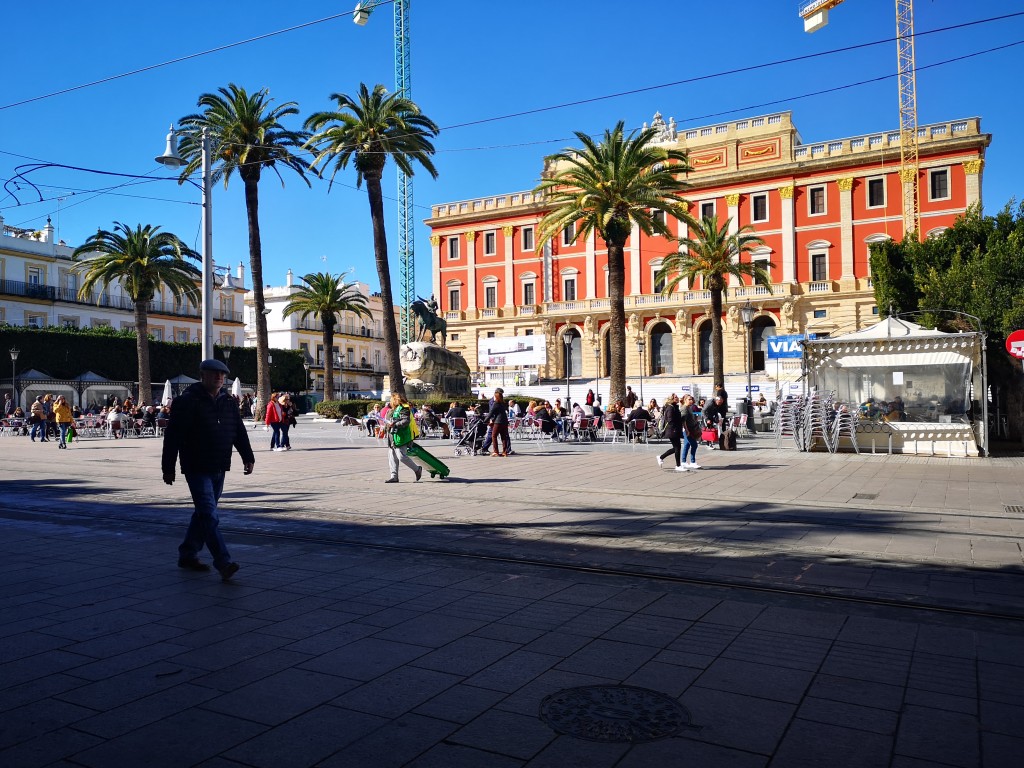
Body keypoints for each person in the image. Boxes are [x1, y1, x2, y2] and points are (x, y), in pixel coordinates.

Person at [162, 358, 254, 580]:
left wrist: (247, 456)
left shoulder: (228, 402)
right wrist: (168, 467)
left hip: (220, 465)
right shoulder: (188, 401)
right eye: (214, 374)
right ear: (202, 375)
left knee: (203, 514)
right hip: (196, 465)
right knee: (210, 516)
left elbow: (238, 431)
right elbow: (173, 436)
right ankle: (223, 562)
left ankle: (188, 554)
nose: (219, 378)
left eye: (222, 375)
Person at [383, 393, 422, 483]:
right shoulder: (390, 410)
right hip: (392, 437)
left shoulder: (404, 408)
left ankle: (417, 469)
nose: (390, 402)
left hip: (401, 437)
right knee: (392, 457)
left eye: (391, 400)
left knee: (401, 456)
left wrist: (395, 424)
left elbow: (406, 421)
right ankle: (394, 476)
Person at [657, 395, 685, 471]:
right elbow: (670, 419)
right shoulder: (670, 408)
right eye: (676, 397)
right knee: (677, 447)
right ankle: (678, 466)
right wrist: (675, 428)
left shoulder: (675, 406)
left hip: (675, 429)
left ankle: (661, 457)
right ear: (671, 399)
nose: (678, 398)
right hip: (672, 430)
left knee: (676, 448)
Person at [680, 394, 703, 469]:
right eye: (689, 399)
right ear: (685, 400)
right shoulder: (684, 408)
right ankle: (692, 462)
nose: (691, 401)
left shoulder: (689, 408)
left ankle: (683, 461)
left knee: (687, 445)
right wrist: (686, 430)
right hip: (688, 430)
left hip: (691, 429)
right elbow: (683, 421)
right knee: (694, 445)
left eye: (691, 399)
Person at [487, 390, 511, 457]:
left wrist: (485, 420)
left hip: (498, 422)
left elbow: (491, 413)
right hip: (505, 422)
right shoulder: (503, 403)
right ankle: (505, 452)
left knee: (494, 436)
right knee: (504, 436)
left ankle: (496, 451)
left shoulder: (496, 403)